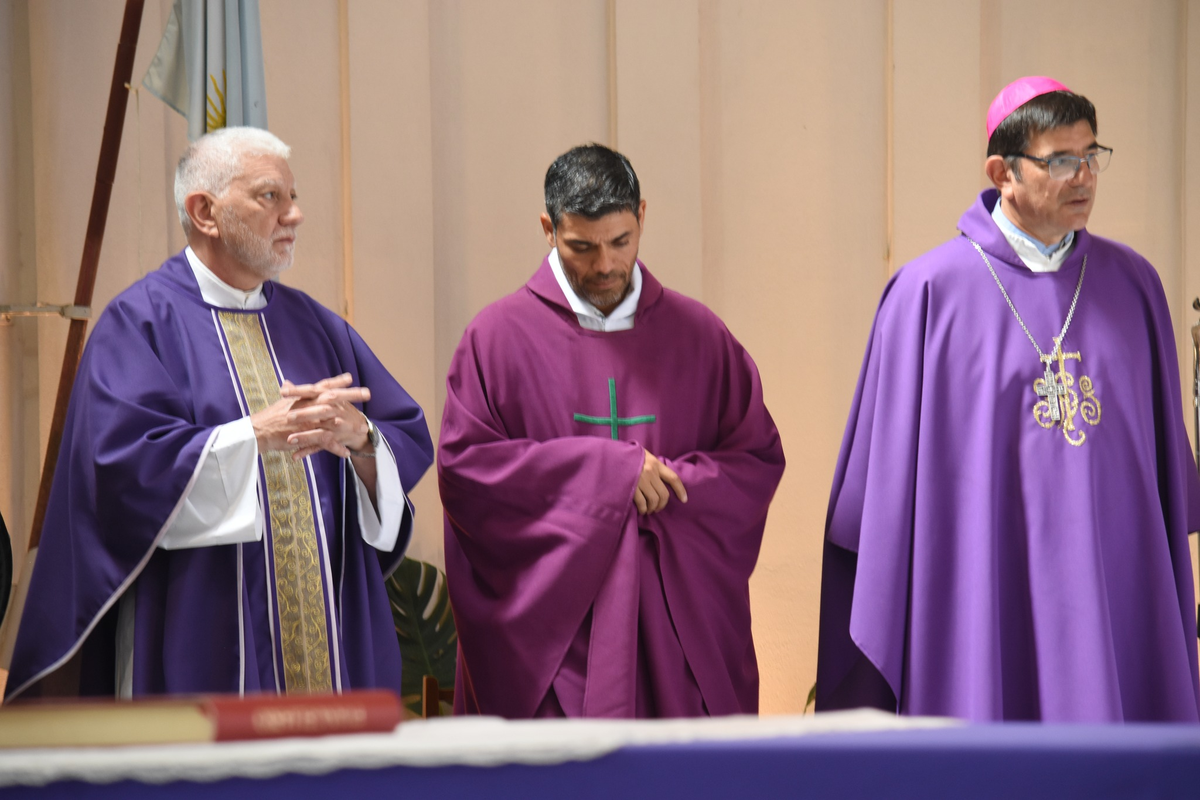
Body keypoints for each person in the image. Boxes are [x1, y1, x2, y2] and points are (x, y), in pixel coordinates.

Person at [816, 77, 1200, 722]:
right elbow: (882, 496)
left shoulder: (1133, 284)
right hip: (982, 584)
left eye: (1091, 155)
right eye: (1059, 161)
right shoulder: (928, 294)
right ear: (1003, 172)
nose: (1083, 176)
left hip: (1109, 578)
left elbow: (1158, 473)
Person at [5, 127, 433, 700]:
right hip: (202, 629)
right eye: (270, 196)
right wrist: (254, 434)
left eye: (293, 196)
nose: (295, 215)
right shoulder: (140, 325)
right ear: (204, 211)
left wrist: (362, 443)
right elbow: (122, 474)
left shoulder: (317, 326)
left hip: (331, 644)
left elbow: (401, 434)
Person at [439, 144, 785, 718]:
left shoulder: (699, 336)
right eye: (582, 246)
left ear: (642, 217)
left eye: (621, 241)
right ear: (548, 229)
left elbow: (754, 459)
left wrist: (670, 485)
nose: (604, 264)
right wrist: (609, 474)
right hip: (555, 645)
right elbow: (468, 473)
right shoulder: (496, 340)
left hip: (672, 637)